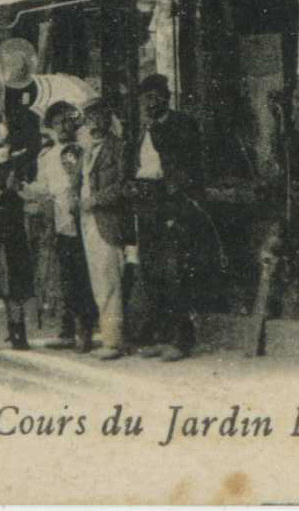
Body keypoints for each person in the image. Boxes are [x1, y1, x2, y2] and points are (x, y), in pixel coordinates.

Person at [130, 73, 205, 361]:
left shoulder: (182, 125)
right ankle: (159, 335)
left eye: (155, 96)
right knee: (151, 272)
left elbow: (185, 170)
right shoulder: (144, 130)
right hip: (147, 202)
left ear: (167, 97)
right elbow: (140, 164)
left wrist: (177, 207)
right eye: (145, 98)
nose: (150, 103)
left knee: (176, 271)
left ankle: (181, 339)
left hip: (173, 202)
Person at [35, 100, 97, 352]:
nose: (63, 126)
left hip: (86, 220)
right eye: (58, 122)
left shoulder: (85, 150)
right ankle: (68, 328)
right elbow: (44, 188)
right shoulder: (47, 157)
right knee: (66, 276)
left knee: (85, 276)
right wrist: (25, 190)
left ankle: (86, 329)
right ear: (50, 126)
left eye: (68, 120)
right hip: (61, 222)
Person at [0, 86, 41, 349]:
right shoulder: (7, 159)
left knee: (14, 282)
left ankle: (19, 332)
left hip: (13, 226)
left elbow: (10, 195)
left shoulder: (18, 162)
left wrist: (4, 189)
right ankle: (15, 329)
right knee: (10, 283)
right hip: (5, 227)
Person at [78, 97, 133, 360]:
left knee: (110, 279)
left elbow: (123, 185)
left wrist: (95, 200)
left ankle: (114, 341)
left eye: (99, 116)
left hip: (108, 221)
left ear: (108, 117)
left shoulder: (118, 148)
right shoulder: (87, 150)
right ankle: (109, 335)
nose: (95, 121)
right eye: (90, 117)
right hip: (89, 222)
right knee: (98, 280)